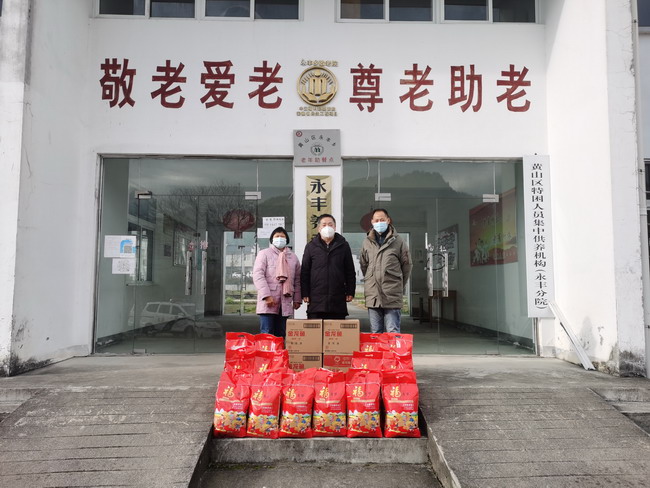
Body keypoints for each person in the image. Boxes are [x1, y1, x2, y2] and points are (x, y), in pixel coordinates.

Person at [360, 208, 412, 333]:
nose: (379, 223)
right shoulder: (367, 242)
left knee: (392, 332)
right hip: (373, 295)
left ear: (388, 220)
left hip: (392, 295)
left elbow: (407, 266)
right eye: (376, 220)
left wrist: (398, 283)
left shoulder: (398, 241)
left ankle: (392, 349)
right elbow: (364, 265)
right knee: (375, 332)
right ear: (372, 222)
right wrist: (371, 279)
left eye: (382, 220)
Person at [300, 214, 356, 320]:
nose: (327, 227)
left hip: (337, 299)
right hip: (316, 300)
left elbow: (350, 271)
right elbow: (305, 271)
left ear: (335, 227)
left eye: (330, 225)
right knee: (315, 329)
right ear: (319, 228)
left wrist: (350, 291)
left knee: (336, 330)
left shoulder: (343, 245)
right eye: (324, 225)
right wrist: (305, 292)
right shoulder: (311, 246)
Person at [252, 227, 302, 338]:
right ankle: (267, 351)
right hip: (268, 301)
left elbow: (297, 280)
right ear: (272, 239)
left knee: (281, 334)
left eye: (282, 236)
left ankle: (279, 350)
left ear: (287, 239)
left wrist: (297, 299)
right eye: (277, 236)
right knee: (267, 332)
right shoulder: (264, 254)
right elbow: (258, 275)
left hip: (285, 301)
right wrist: (266, 295)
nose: (280, 238)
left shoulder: (293, 258)